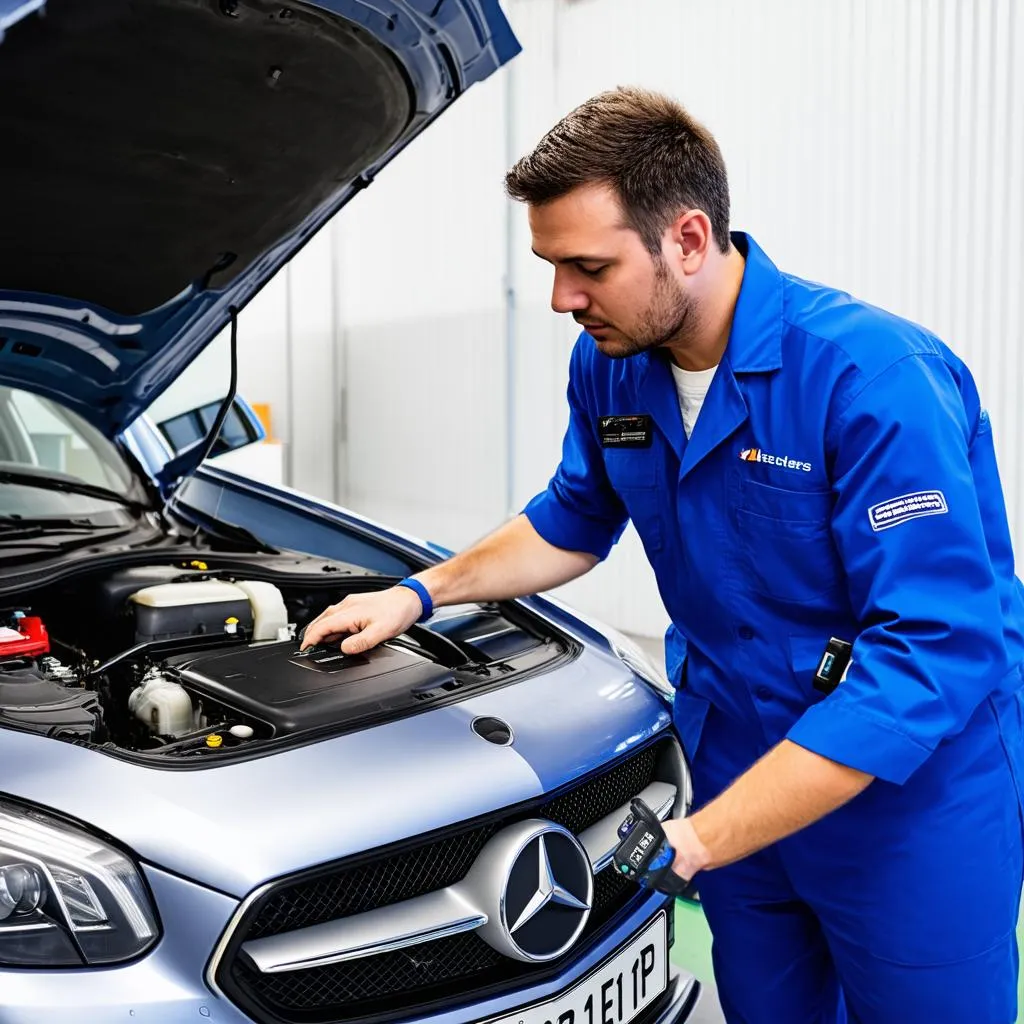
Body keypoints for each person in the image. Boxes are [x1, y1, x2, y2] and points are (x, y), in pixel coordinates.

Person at [300, 87, 1024, 1023]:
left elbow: (930, 653)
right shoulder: (612, 364)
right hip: (734, 766)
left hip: (906, 809)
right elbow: (572, 517)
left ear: (686, 238)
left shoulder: (872, 380)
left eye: (588, 267)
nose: (563, 297)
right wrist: (418, 595)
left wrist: (704, 836)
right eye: (552, 266)